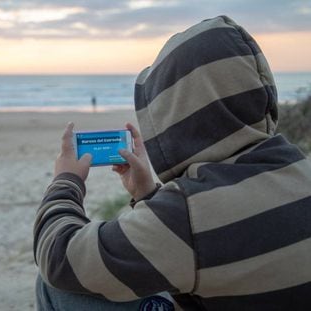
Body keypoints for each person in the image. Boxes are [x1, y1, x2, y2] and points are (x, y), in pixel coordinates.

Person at [33, 15, 311, 311]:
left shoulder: (188, 213)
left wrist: (65, 181)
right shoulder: (301, 169)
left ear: (172, 114)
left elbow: (59, 258)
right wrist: (147, 195)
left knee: (56, 286)